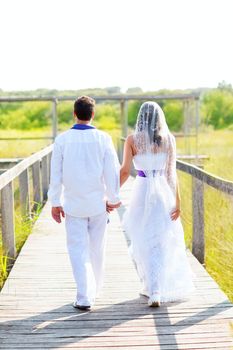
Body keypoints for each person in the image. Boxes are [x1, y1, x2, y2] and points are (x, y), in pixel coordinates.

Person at [48, 96, 121, 311]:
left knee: (77, 250)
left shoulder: (62, 140)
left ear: (74, 113)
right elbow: (111, 171)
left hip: (73, 205)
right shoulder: (104, 138)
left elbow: (56, 174)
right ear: (93, 114)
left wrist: (54, 202)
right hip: (98, 205)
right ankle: (94, 290)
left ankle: (84, 296)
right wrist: (113, 198)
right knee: (97, 249)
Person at [120, 101, 194, 307]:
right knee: (161, 238)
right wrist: (177, 200)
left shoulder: (133, 140)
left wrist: (111, 192)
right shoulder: (169, 139)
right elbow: (171, 173)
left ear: (140, 118)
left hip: (142, 190)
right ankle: (155, 288)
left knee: (142, 237)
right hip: (162, 190)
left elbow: (125, 170)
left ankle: (153, 288)